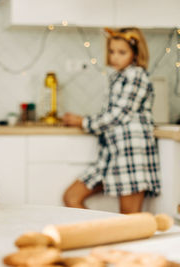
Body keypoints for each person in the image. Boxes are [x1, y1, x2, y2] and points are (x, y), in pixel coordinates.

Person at [62, 27, 161, 214]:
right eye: (112, 51)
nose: (115, 57)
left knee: (129, 220)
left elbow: (118, 115)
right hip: (110, 156)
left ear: (135, 54)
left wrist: (82, 121)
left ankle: (115, 240)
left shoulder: (137, 75)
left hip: (131, 155)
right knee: (72, 197)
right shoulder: (117, 76)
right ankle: (99, 236)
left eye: (122, 52)